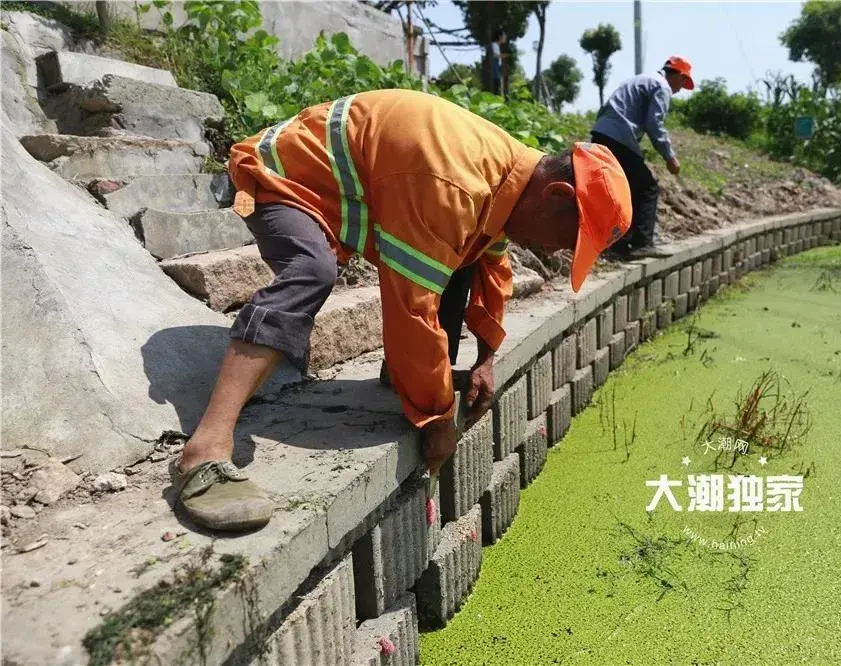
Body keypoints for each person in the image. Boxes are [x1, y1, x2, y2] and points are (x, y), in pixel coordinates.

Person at [168, 89, 632, 532]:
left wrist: (486, 359)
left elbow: (492, 266)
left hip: (361, 188)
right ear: (556, 198)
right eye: (568, 241)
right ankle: (204, 451)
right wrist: (436, 419)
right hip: (283, 176)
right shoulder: (454, 184)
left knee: (463, 255)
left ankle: (404, 380)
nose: (554, 254)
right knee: (312, 270)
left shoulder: (509, 175)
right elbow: (412, 309)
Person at [590, 55, 694, 259]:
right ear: (679, 77)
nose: (681, 89)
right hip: (619, 137)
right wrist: (669, 156)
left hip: (602, 133)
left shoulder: (641, 79)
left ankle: (618, 246)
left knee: (622, 189)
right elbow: (654, 124)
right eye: (683, 83)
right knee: (647, 188)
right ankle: (641, 243)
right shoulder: (662, 86)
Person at [490, 29, 506, 97]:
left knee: (498, 86)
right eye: (504, 36)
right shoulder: (494, 45)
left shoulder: (497, 46)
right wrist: (503, 56)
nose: (505, 38)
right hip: (495, 67)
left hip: (497, 67)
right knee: (496, 87)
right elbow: (495, 55)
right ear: (500, 37)